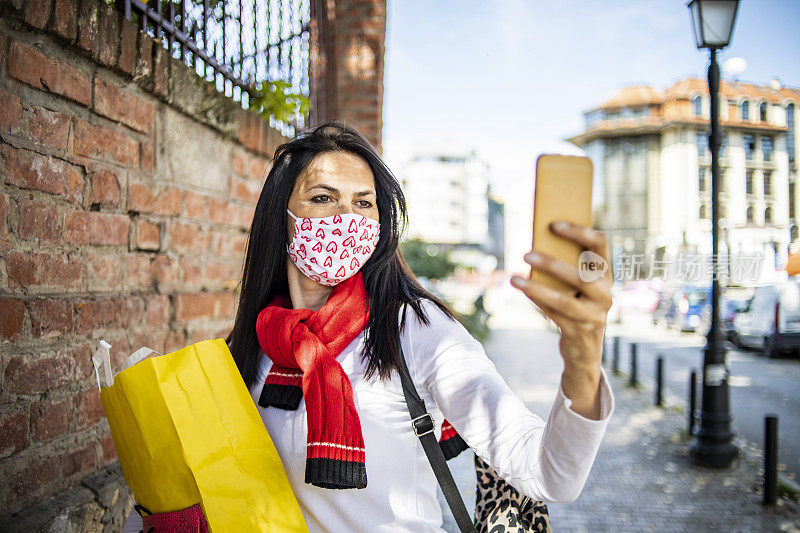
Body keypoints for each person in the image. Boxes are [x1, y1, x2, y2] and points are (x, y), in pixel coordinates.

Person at [123, 121, 614, 532]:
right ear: (284, 215)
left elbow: (550, 474)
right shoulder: (247, 349)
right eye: (322, 197)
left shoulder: (415, 330)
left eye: (364, 202)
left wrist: (584, 361)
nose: (346, 217)